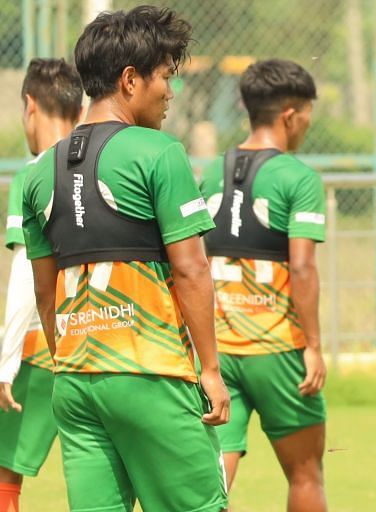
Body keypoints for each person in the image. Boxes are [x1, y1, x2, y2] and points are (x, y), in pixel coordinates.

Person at [21, 6, 230, 512]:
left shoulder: (35, 174)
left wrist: (73, 360)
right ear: (130, 79)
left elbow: (46, 292)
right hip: (150, 374)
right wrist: (211, 370)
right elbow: (191, 268)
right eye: (164, 76)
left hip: (74, 385)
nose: (170, 92)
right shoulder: (158, 153)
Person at [198, 58, 327, 511]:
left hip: (220, 354)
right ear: (291, 115)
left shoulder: (212, 171)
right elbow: (303, 268)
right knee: (306, 474)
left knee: (213, 480)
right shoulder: (298, 178)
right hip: (278, 352)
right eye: (308, 113)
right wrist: (312, 344)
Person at [0, 57, 82, 512]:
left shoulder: (33, 175)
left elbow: (25, 277)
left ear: (30, 105)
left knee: (3, 476)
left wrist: (5, 362)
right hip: (108, 341)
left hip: (43, 348)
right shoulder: (103, 162)